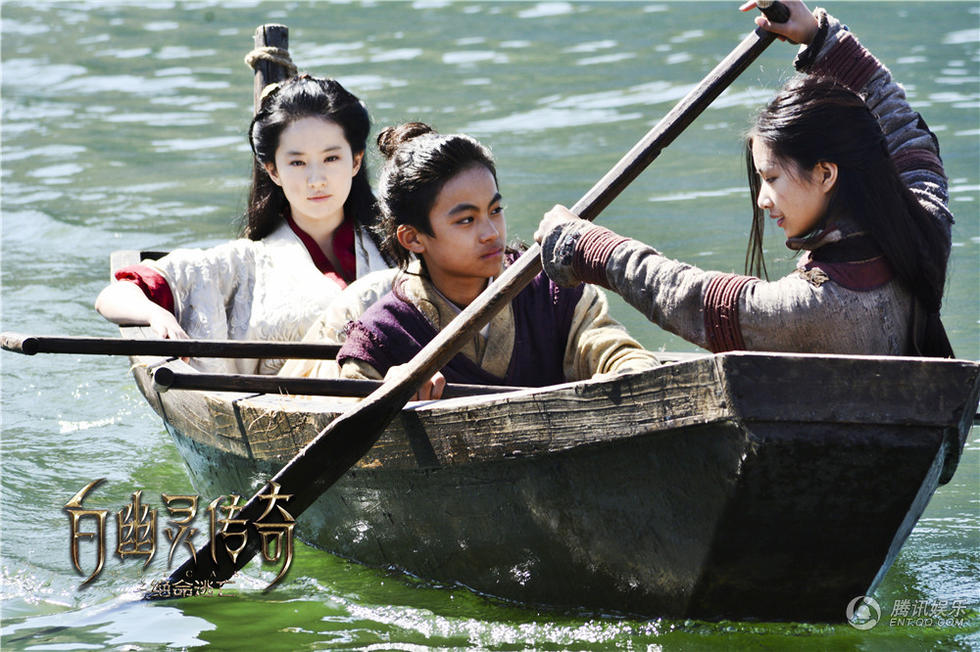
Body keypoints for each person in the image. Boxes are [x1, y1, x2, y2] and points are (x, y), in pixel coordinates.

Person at [534, 0, 954, 359]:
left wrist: (584, 246)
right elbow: (904, 131)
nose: (762, 200)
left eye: (771, 178)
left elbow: (689, 297)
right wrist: (818, 35)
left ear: (826, 174)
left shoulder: (814, 306)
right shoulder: (924, 229)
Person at [335, 122, 660, 399]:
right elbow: (350, 421)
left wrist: (631, 375)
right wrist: (389, 397)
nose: (491, 233)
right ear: (413, 238)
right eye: (466, 220)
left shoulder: (554, 291)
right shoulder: (382, 338)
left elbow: (616, 353)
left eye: (495, 210)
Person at [95, 74, 393, 374]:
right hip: (289, 400)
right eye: (297, 163)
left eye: (331, 158)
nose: (316, 180)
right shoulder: (242, 264)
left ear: (355, 161)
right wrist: (157, 316)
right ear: (273, 171)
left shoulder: (396, 249)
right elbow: (114, 295)